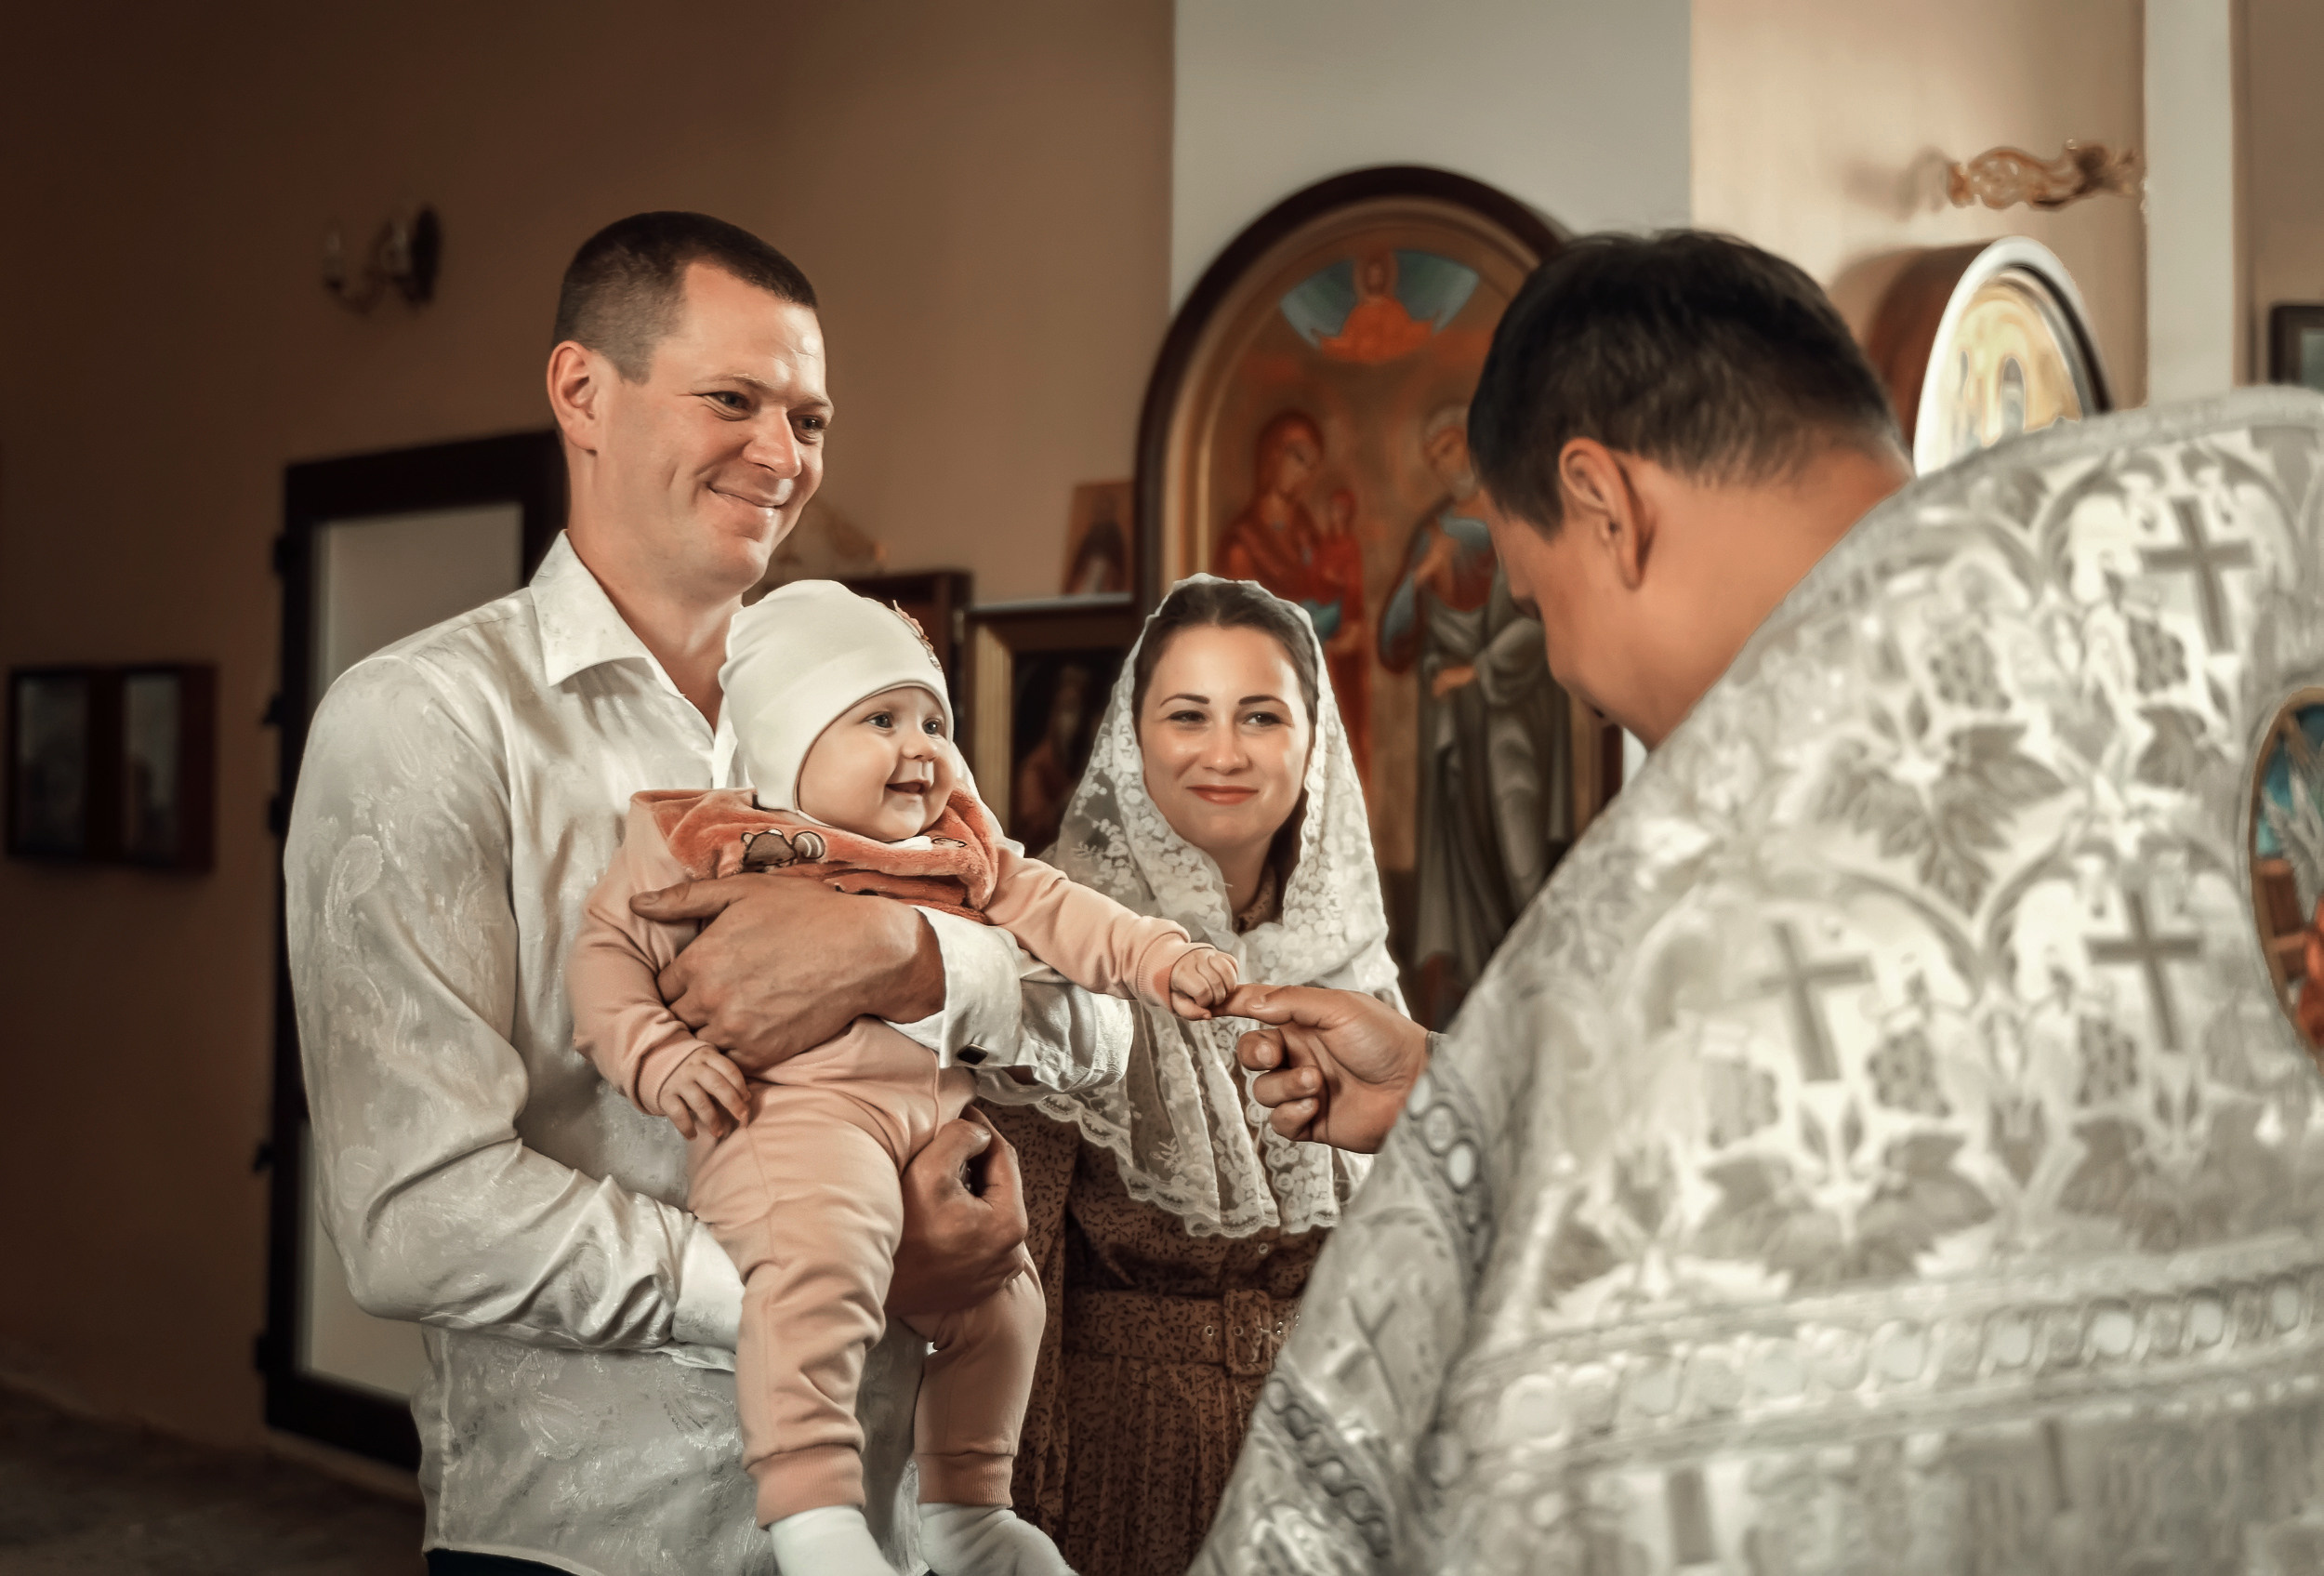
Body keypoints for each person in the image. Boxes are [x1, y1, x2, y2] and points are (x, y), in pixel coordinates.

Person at [1199, 235, 2324, 1570]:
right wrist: (1469, 1093)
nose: (1562, 667)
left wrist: (1523, 1079)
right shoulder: (2202, 576)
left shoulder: (1722, 855)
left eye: (1537, 596)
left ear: (1603, 503)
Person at [284, 212, 1129, 1576]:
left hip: (905, 1526)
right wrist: (830, 1280)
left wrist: (917, 960)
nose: (782, 455)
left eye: (809, 416)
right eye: (732, 400)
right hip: (599, 1541)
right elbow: (410, 1219)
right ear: (582, 393)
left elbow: (1107, 1031)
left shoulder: (874, 714)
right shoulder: (426, 724)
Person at [568, 582, 1238, 1576]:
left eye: (932, 719)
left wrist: (1158, 958)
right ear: (785, 741)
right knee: (821, 1263)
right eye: (878, 719)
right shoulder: (706, 837)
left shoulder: (954, 850)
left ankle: (964, 1510)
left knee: (1005, 1303)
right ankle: (812, 1511)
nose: (920, 745)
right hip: (788, 1117)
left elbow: (1057, 910)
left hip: (931, 1127)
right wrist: (658, 1056)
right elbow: (605, 954)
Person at [978, 576, 1403, 1576]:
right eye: (1187, 715)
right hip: (1121, 1463)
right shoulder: (1054, 945)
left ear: (1313, 742)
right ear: (1133, 740)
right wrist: (1011, 1509)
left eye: (1261, 715)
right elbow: (1009, 1266)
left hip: (1325, 1461)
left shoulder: (1357, 959)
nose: (1224, 751)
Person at [1378, 405, 1568, 1025]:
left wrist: (1479, 670)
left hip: (1513, 717)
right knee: (1455, 853)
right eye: (1433, 455)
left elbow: (1542, 623)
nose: (1445, 462)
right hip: (1451, 726)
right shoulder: (1434, 533)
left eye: (1452, 446)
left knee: (1517, 843)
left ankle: (1539, 997)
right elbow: (1392, 640)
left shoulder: (1520, 518)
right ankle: (1468, 1003)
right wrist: (1417, 577)